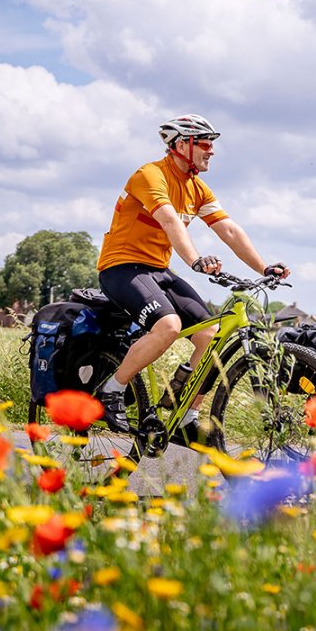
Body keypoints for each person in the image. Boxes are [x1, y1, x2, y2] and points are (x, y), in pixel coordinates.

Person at [96, 113, 290, 443]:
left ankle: (186, 413)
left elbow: (227, 229)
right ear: (180, 145)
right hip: (123, 266)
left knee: (210, 335)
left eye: (212, 144)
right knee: (169, 326)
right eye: (204, 143)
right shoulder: (150, 175)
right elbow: (171, 222)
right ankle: (112, 389)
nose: (211, 150)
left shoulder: (196, 188)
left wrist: (262, 268)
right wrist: (196, 260)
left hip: (158, 270)